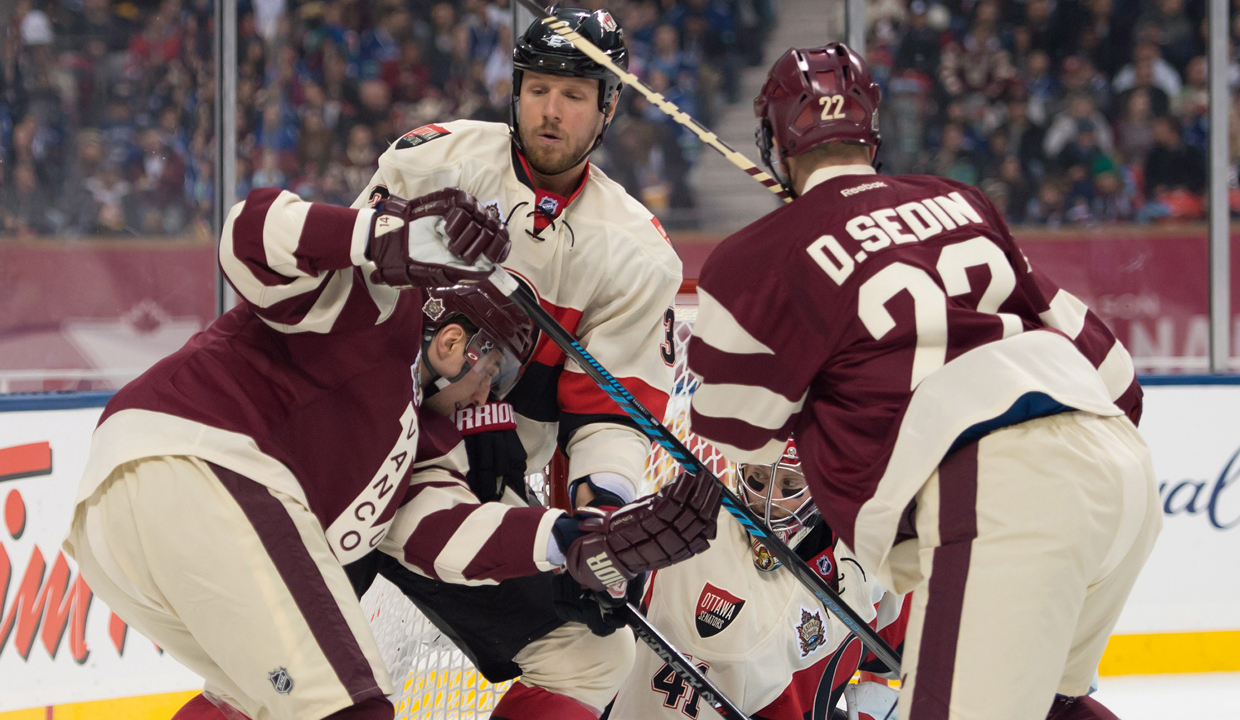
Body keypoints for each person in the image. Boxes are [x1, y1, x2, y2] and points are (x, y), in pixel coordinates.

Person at [62, 180, 720, 719]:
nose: (497, 395)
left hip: (116, 533)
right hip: (198, 463)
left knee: (263, 701)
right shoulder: (375, 305)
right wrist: (381, 237)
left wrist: (573, 538)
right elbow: (248, 233)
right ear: (455, 344)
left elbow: (446, 540)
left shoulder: (421, 451)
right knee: (352, 710)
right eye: (500, 373)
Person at [686, 43, 1160, 720]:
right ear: (871, 130)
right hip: (1121, 471)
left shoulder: (754, 256)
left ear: (773, 142)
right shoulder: (960, 200)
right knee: (1052, 706)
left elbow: (734, 430)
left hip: (994, 486)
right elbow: (1115, 374)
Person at [348, 8, 699, 720]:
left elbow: (611, 415)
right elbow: (346, 303)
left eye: (573, 95)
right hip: (352, 453)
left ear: (607, 107)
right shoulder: (430, 161)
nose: (550, 110)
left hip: (469, 488)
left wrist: (601, 519)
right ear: (514, 89)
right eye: (538, 88)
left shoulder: (635, 251)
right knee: (277, 664)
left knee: (591, 654)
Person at [609, 439, 906, 720]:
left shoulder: (868, 560)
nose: (769, 501)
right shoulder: (692, 534)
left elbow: (915, 657)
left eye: (789, 484)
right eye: (757, 479)